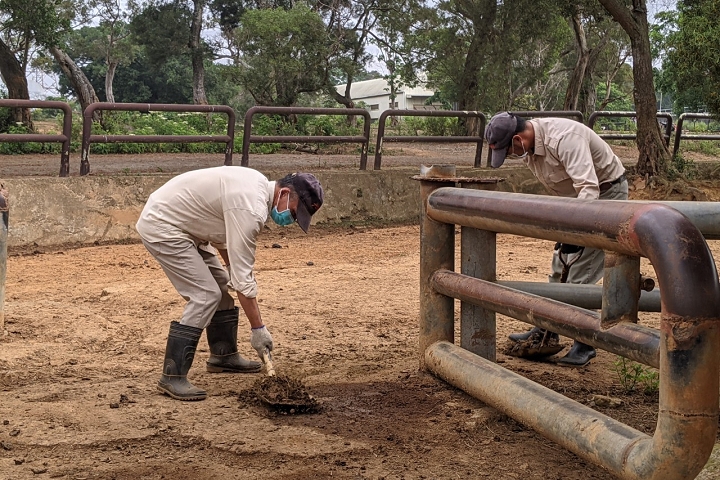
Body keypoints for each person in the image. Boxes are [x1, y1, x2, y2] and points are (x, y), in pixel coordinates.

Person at [136, 167, 324, 400]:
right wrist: (258, 330)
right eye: (296, 213)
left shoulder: (255, 185)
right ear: (285, 193)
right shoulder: (251, 209)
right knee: (205, 295)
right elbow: (244, 281)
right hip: (164, 226)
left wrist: (232, 272)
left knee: (223, 286)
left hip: (187, 227)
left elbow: (227, 244)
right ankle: (172, 377)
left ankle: (223, 356)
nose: (292, 220)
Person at [485, 112, 628, 367]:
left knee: (580, 271)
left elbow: (588, 188)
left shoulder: (564, 139)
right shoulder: (531, 152)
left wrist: (577, 230)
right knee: (558, 268)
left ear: (518, 139)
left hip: (605, 197)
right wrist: (563, 227)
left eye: (507, 151)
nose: (508, 156)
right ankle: (546, 329)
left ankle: (584, 342)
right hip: (575, 204)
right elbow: (560, 190)